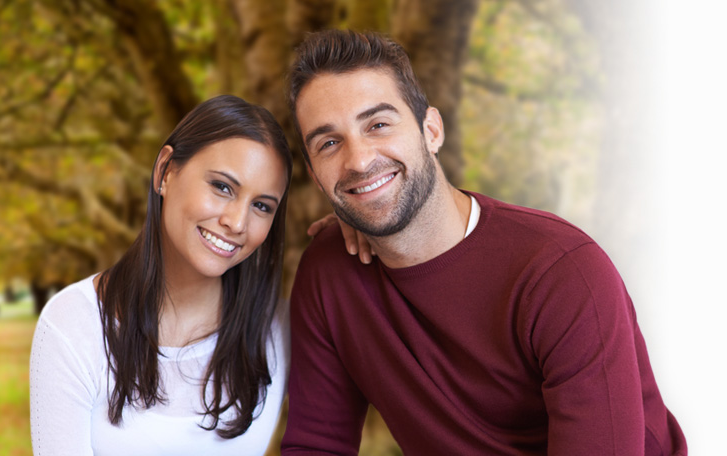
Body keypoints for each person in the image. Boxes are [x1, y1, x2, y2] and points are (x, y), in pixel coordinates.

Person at [279, 30, 686, 455]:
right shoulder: (329, 272)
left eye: (378, 124)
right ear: (314, 171)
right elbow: (317, 445)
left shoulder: (561, 273)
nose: (359, 160)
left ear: (431, 130)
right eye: (329, 143)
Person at [28, 95, 293, 455]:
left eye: (261, 206)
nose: (238, 222)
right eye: (222, 187)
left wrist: (360, 235)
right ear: (165, 171)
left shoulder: (279, 327)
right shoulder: (74, 324)